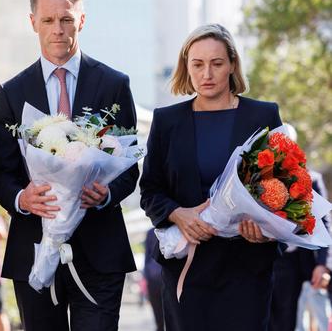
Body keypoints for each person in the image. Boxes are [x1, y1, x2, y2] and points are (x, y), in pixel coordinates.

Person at [0, 0, 138, 330]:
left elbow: (129, 168)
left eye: (67, 19)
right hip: (34, 250)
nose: (58, 29)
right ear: (33, 23)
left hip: (101, 251)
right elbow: (0, 172)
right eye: (49, 20)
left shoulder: (114, 85)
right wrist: (22, 199)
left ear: (81, 20)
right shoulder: (11, 92)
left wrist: (106, 194)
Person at [139, 23, 283, 331]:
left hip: (247, 269)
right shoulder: (166, 122)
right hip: (187, 272)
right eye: (198, 64)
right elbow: (150, 190)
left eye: (217, 64)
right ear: (186, 68)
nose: (207, 74)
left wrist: (266, 226)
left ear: (232, 64)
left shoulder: (263, 116)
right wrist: (179, 214)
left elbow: (282, 188)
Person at [270, 124, 329, 331]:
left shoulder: (311, 179)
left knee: (288, 320)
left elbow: (323, 223)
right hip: (262, 258)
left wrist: (323, 264)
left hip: (294, 262)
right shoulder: (258, 178)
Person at [143, 228, 164, 331]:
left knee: (159, 312)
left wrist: (146, 276)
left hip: (154, 276)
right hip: (158, 277)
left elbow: (147, 258)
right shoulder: (151, 232)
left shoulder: (150, 232)